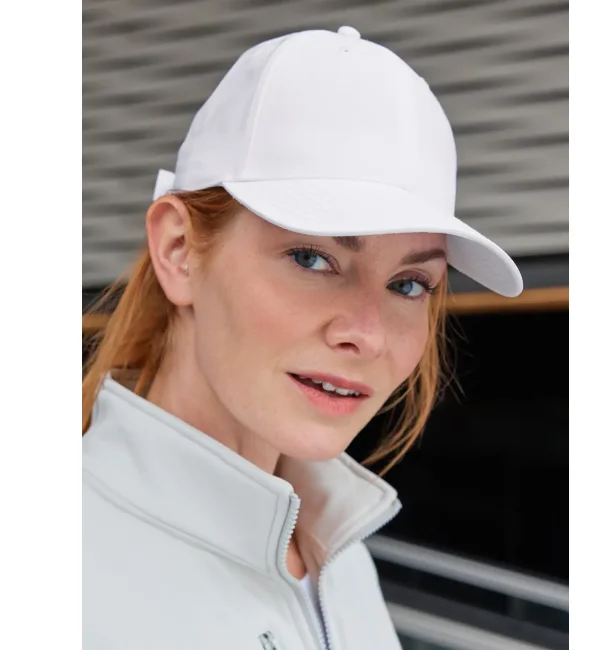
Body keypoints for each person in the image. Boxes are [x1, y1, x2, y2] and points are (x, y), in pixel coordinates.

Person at [82, 25, 523, 650]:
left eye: (409, 284)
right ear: (179, 251)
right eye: (312, 259)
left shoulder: (339, 559)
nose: (366, 334)